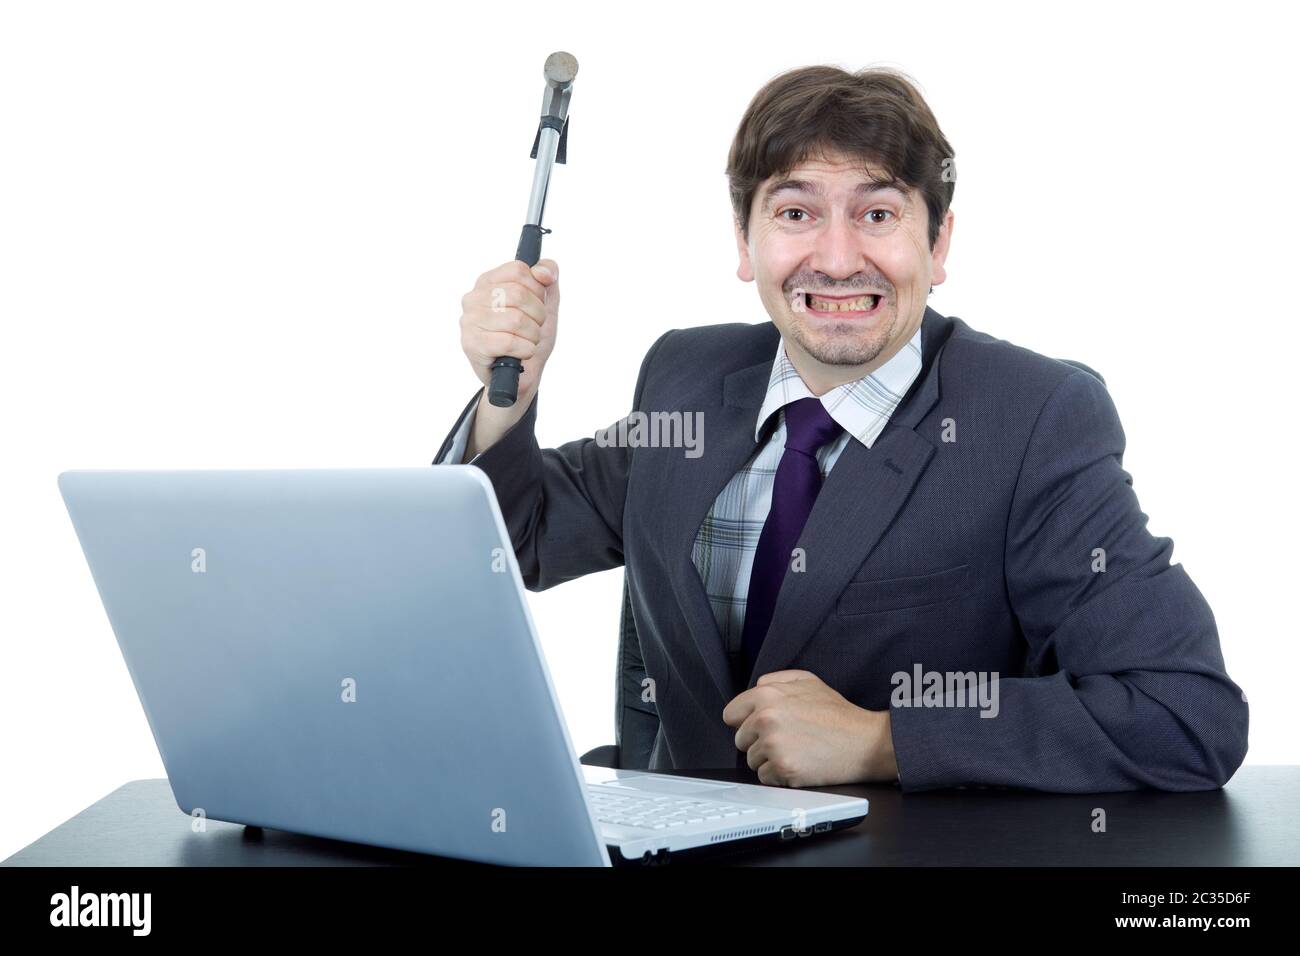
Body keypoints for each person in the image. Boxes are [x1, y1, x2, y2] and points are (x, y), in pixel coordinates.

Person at [432, 64, 1248, 792]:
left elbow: (1183, 711)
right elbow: (517, 544)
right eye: (794, 212)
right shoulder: (688, 375)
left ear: (939, 240)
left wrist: (883, 740)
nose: (834, 257)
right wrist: (512, 391)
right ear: (745, 243)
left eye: (878, 213)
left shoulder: (1030, 419)